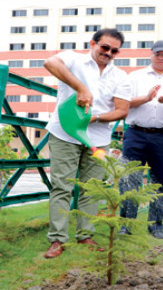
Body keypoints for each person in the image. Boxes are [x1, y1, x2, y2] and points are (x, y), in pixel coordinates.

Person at [43, 28, 131, 258]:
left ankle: (85, 235)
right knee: (62, 186)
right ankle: (57, 240)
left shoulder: (120, 76)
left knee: (91, 189)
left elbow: (122, 110)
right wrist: (80, 87)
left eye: (114, 50)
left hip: (98, 139)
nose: (108, 53)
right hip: (65, 134)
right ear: (93, 43)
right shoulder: (73, 59)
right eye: (104, 47)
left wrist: (96, 117)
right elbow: (50, 62)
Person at [118, 40, 163, 239]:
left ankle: (156, 225)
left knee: (160, 182)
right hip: (136, 133)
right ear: (151, 54)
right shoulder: (135, 76)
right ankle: (126, 224)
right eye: (158, 54)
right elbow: (124, 103)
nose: (161, 57)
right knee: (129, 180)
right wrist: (147, 98)